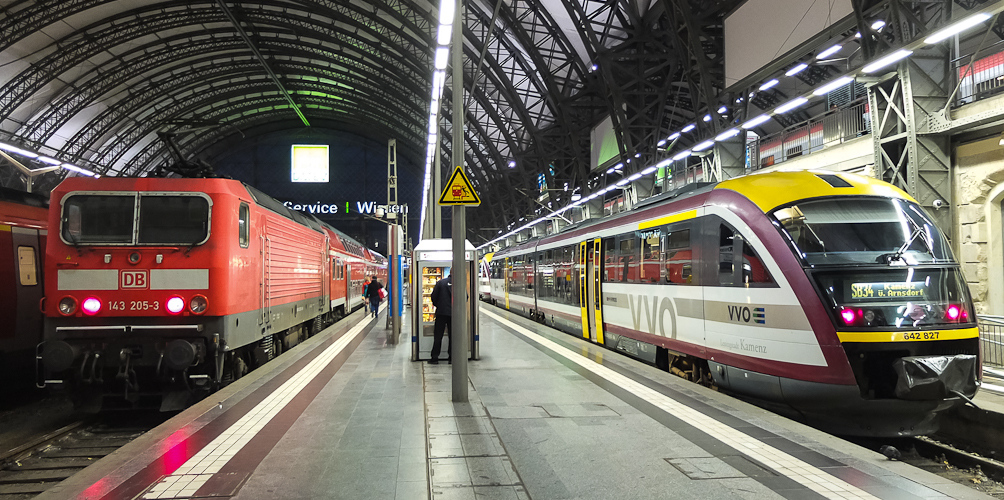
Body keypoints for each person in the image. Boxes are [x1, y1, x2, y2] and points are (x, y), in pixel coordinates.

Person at [429, 274, 452, 364]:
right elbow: (465, 297)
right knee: (453, 336)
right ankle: (452, 357)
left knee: (438, 336)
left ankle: (435, 357)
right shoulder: (459, 283)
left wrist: (438, 305)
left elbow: (433, 297)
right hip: (454, 314)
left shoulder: (441, 283)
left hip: (441, 313)